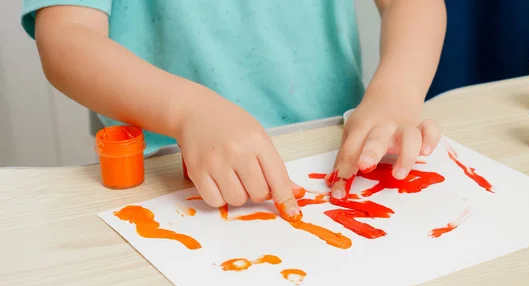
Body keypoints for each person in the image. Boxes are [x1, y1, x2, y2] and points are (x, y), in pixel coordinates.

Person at [21, 0, 446, 221]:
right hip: (168, 177)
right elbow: (66, 39)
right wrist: (187, 110)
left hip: (336, 154)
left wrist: (395, 93)